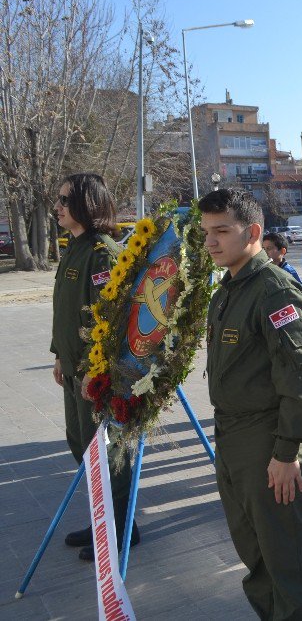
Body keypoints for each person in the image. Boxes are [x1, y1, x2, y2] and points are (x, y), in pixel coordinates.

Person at [200, 189, 302, 620]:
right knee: (255, 552)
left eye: (221, 231)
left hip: (267, 438)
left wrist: (287, 451)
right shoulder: (231, 287)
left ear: (252, 232)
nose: (211, 242)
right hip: (232, 435)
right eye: (206, 233)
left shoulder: (274, 291)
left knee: (285, 557)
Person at [51, 173, 139, 561]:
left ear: (87, 205)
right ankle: (102, 520)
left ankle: (122, 530)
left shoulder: (102, 254)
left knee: (106, 453)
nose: (58, 206)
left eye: (65, 200)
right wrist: (59, 356)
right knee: (82, 448)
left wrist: (93, 370)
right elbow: (68, 313)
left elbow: (111, 320)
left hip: (96, 377)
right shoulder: (74, 248)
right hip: (74, 370)